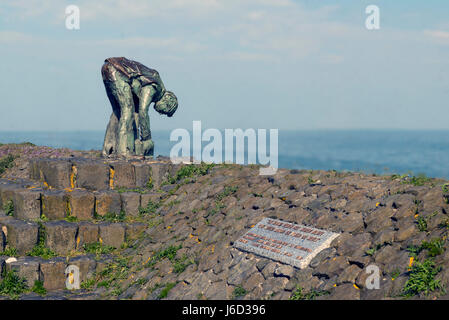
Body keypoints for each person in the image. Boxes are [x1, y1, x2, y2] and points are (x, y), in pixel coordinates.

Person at [101, 57, 178, 157]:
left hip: (108, 67)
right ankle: (123, 151)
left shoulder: (148, 85)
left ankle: (108, 148)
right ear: (167, 101)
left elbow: (137, 113)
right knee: (127, 109)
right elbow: (143, 111)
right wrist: (147, 139)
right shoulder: (155, 86)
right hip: (118, 71)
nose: (161, 113)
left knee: (117, 110)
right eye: (165, 111)